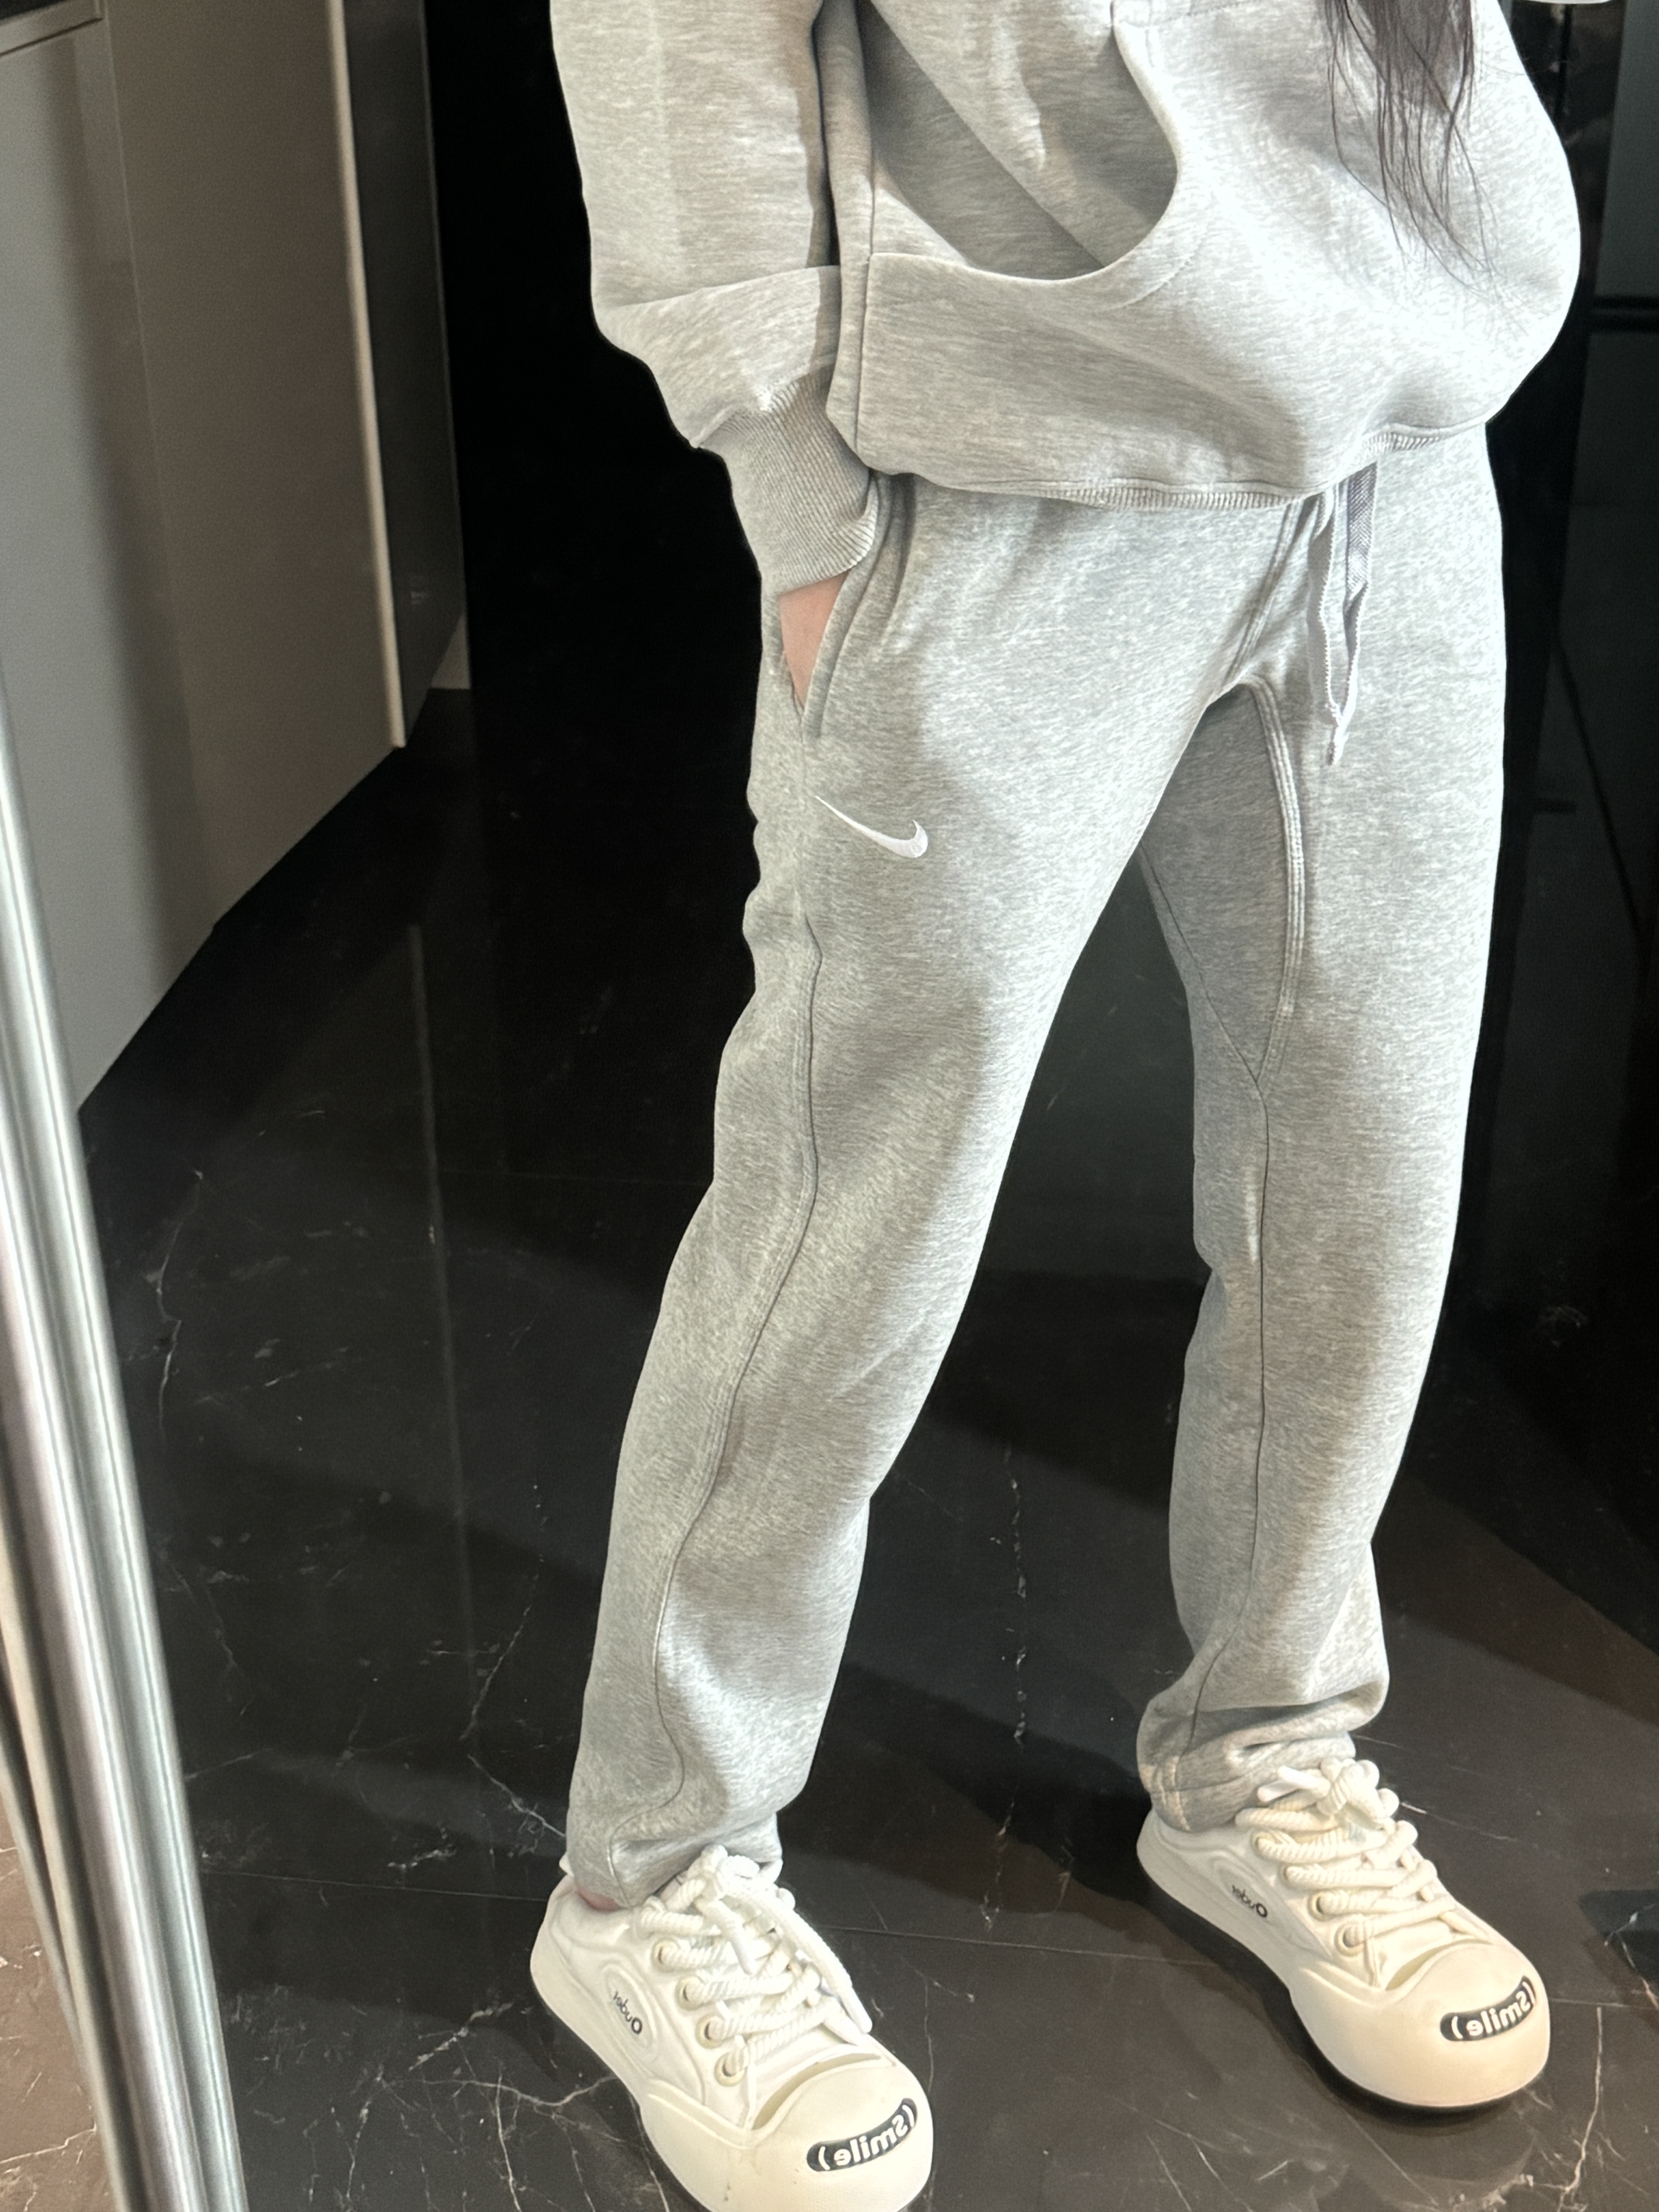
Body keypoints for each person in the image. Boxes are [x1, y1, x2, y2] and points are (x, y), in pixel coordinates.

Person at [527, 0, 1582, 2203]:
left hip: (1398, 437)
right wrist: (800, 497)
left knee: (1362, 1180)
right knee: (853, 1210)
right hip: (996, 477)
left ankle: (1267, 1750)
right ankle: (656, 1871)